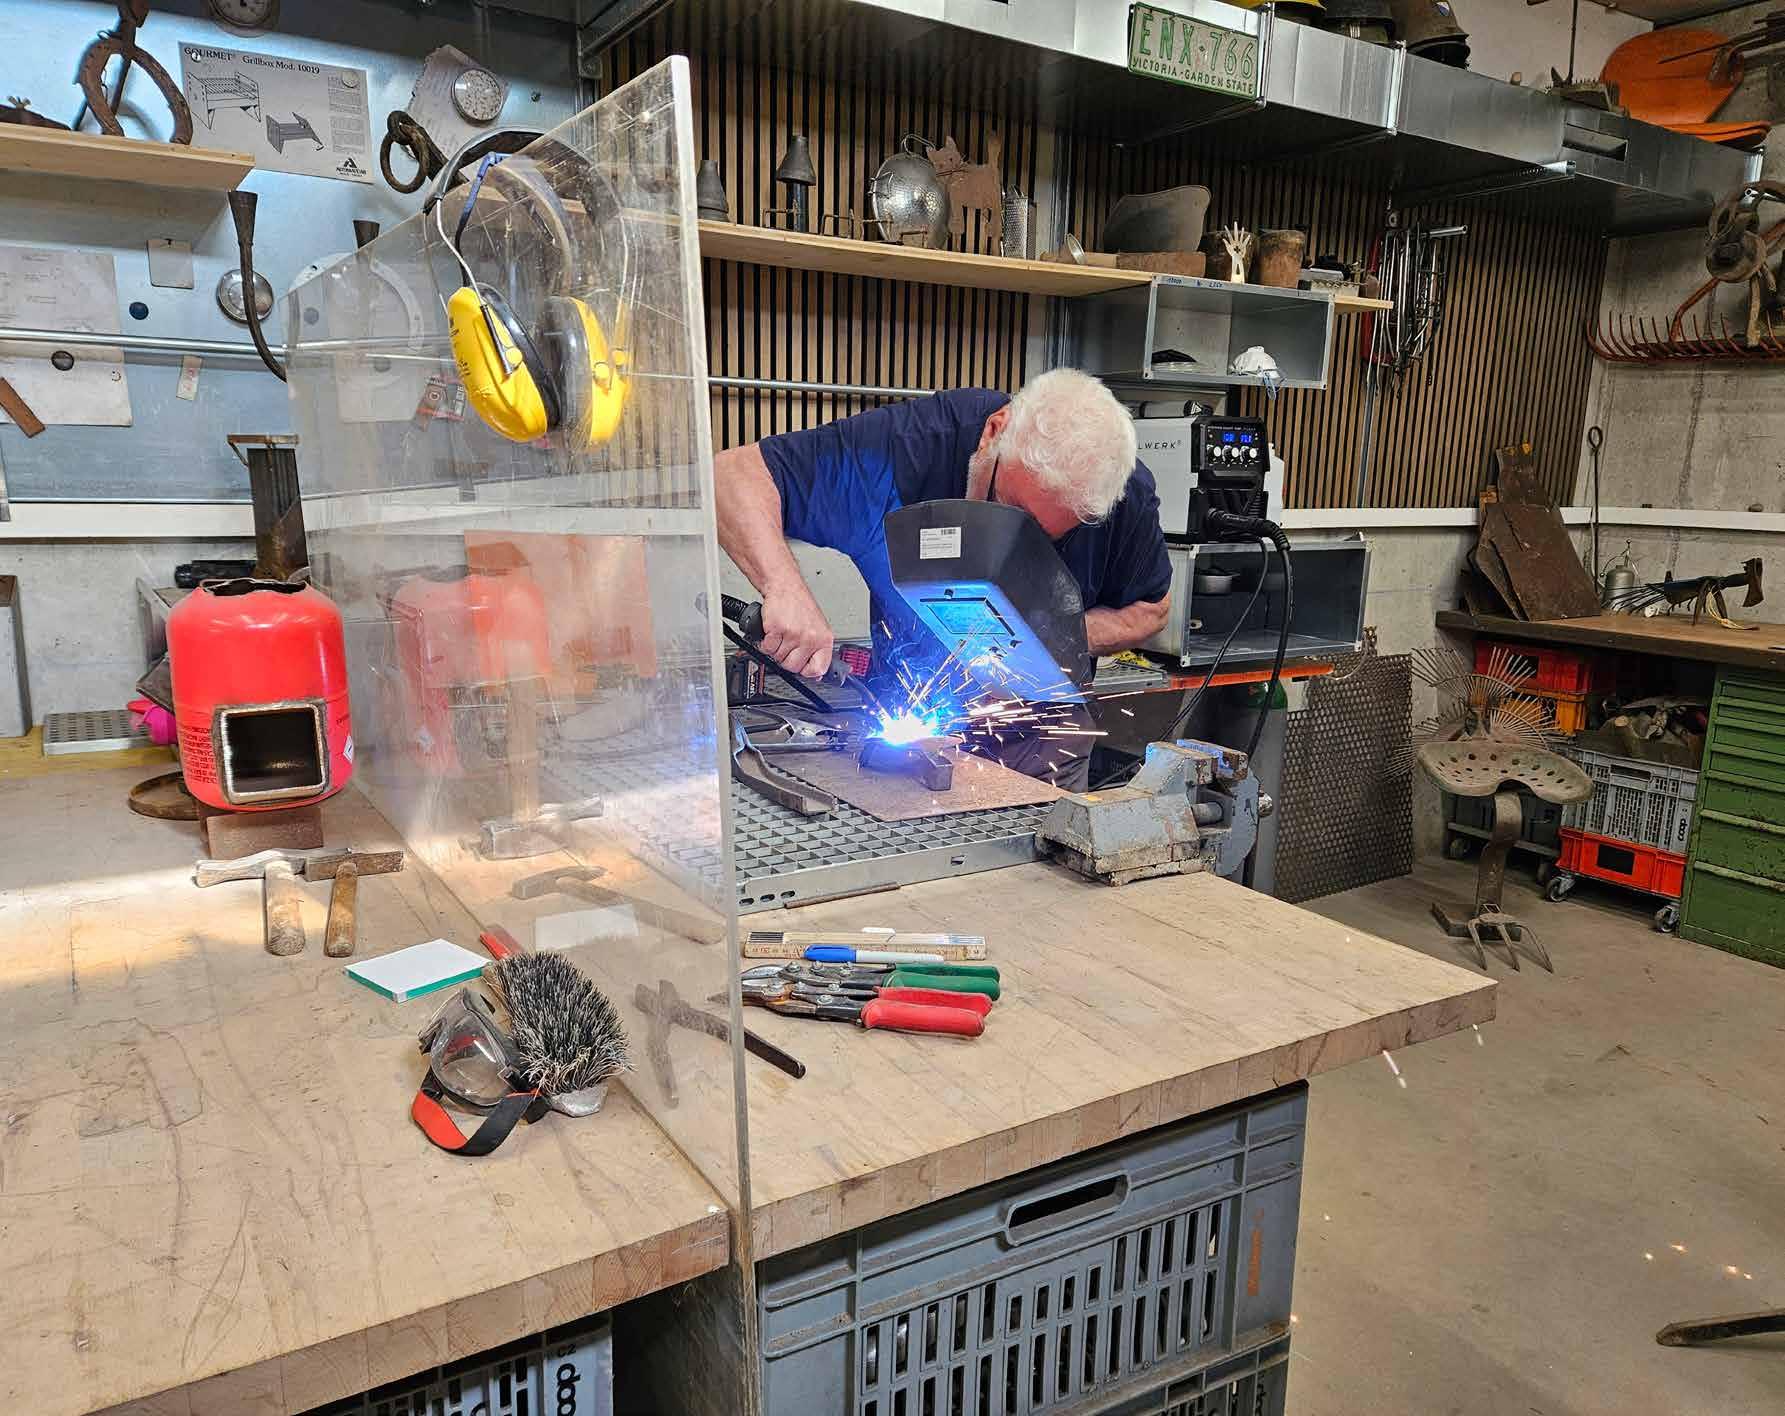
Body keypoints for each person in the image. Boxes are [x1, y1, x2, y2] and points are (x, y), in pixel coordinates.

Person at [714, 368, 1171, 788]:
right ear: (995, 432)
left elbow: (1152, 611)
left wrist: (1042, 640)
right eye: (1012, 512)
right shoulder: (914, 446)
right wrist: (786, 590)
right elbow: (731, 476)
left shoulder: (1120, 493)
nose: (1020, 544)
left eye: (1049, 536)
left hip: (1041, 747)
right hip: (905, 737)